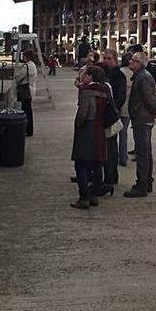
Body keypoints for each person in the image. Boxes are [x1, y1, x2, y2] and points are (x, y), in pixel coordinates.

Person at [124, 52, 156, 197]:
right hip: (143, 117)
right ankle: (146, 183)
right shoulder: (142, 76)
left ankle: (142, 185)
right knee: (145, 151)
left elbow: (149, 98)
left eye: (133, 61)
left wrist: (154, 111)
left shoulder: (143, 77)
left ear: (140, 63)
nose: (130, 63)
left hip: (142, 118)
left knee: (142, 153)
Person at [70, 65, 110, 209]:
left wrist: (78, 124)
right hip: (100, 128)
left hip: (87, 128)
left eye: (85, 74)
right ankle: (94, 194)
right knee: (97, 162)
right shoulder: (105, 89)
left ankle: (84, 197)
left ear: (90, 76)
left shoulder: (87, 91)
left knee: (81, 163)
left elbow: (83, 113)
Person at [102, 49, 127, 193]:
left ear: (115, 60)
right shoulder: (103, 72)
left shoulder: (119, 75)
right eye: (104, 58)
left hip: (111, 116)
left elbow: (120, 97)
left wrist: (112, 109)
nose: (106, 60)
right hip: (103, 116)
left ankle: (111, 177)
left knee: (111, 149)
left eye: (109, 58)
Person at [14, 51, 37, 136]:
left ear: (27, 57)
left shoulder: (26, 66)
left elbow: (18, 77)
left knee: (26, 110)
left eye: (24, 57)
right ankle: (29, 129)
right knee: (28, 110)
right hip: (31, 89)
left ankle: (27, 129)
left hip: (25, 90)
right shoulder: (33, 65)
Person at [118, 52, 134, 167]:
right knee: (123, 134)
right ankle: (123, 157)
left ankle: (114, 156)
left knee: (113, 134)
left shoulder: (119, 73)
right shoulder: (132, 74)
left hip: (117, 106)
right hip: (127, 107)